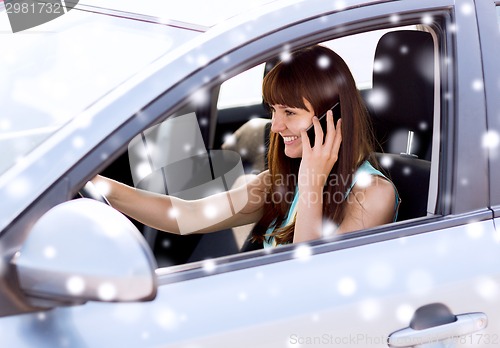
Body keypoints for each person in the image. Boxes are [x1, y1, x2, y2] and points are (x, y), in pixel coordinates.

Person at [93, 45, 399, 248]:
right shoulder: (278, 182)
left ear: (334, 118)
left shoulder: (372, 195)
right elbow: (186, 216)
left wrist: (312, 183)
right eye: (273, 111)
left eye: (289, 113)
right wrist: (97, 185)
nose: (276, 127)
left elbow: (308, 277)